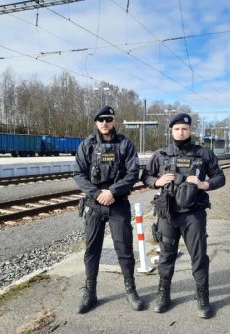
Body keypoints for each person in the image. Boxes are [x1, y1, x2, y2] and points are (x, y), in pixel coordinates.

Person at [141, 112, 226, 319]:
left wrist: (203, 184)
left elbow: (220, 177)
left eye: (184, 129)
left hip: (193, 215)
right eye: (177, 129)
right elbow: (145, 176)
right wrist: (156, 182)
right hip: (168, 214)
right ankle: (163, 295)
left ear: (191, 131)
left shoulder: (204, 154)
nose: (181, 132)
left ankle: (202, 297)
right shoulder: (161, 154)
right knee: (166, 255)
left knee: (198, 257)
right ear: (171, 131)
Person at [74, 105, 144, 314]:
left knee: (123, 248)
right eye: (101, 119)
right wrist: (97, 194)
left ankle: (131, 290)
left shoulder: (125, 144)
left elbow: (133, 172)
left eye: (108, 119)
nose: (105, 123)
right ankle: (90, 292)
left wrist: (112, 192)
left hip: (118, 203)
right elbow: (78, 173)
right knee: (92, 249)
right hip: (94, 204)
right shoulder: (87, 145)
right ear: (96, 122)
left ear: (114, 121)